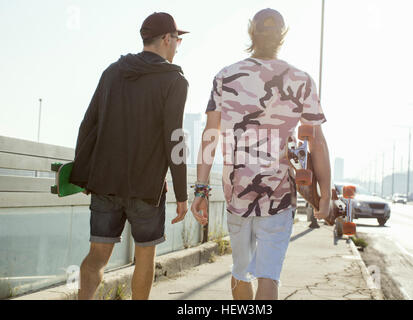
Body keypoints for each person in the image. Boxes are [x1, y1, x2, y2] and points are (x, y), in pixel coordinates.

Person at [191, 8, 331, 300]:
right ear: (282, 36)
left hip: (237, 193)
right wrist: (326, 195)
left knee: (241, 271)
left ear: (250, 32)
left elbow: (210, 136)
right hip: (278, 195)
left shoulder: (225, 76)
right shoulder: (300, 79)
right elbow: (316, 141)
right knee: (268, 277)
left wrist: (201, 189)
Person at [69, 12, 189, 300]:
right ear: (165, 39)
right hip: (146, 188)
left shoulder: (112, 71)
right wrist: (182, 194)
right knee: (144, 258)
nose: (177, 45)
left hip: (104, 182)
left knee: (97, 255)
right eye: (177, 39)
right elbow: (175, 139)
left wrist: (84, 175)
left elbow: (89, 125)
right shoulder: (174, 80)